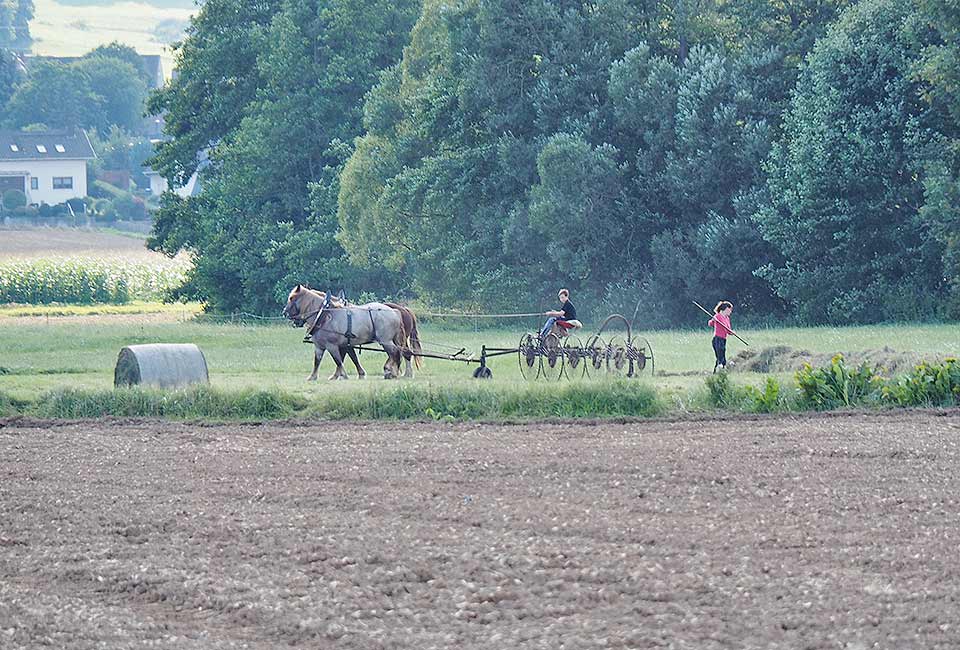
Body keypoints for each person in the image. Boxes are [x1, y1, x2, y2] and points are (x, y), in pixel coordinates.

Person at [708, 301, 734, 372]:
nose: (730, 311)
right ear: (725, 309)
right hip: (717, 339)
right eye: (730, 309)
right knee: (720, 357)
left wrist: (732, 332)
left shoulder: (727, 318)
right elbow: (710, 324)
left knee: (721, 357)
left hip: (723, 340)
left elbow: (728, 330)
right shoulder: (717, 316)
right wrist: (713, 320)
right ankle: (720, 370)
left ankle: (715, 373)